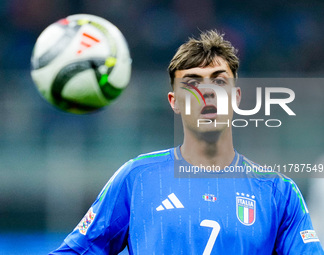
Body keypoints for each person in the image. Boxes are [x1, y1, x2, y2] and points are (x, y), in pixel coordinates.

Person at [50, 30, 324, 254]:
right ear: (174, 102)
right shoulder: (138, 178)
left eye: (219, 82)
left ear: (237, 97)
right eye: (193, 83)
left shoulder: (278, 192)